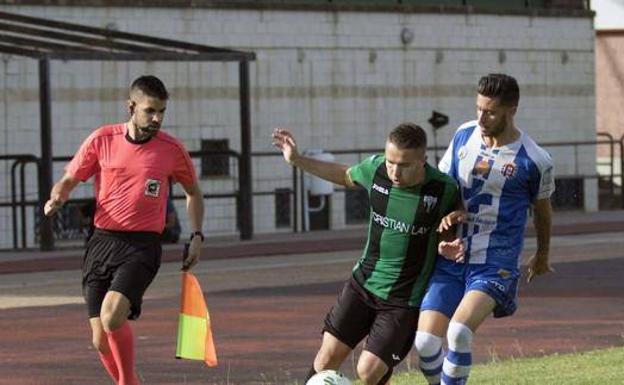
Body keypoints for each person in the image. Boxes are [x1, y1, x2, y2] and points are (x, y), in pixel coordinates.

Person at [43, 75, 205, 385]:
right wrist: (58, 197)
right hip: (101, 242)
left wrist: (197, 235)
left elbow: (193, 192)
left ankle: (126, 383)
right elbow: (68, 180)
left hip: (142, 246)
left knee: (112, 316)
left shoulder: (171, 149)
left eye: (162, 111)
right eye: (150, 111)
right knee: (99, 339)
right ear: (131, 106)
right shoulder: (102, 139)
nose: (156, 118)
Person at [272, 123, 460, 385]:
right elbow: (345, 175)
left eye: (404, 164)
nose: (394, 170)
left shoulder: (444, 189)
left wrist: (451, 235)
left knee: (368, 371)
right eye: (391, 161)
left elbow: (459, 218)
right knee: (325, 361)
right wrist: (297, 160)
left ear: (423, 161)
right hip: (362, 285)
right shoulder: (376, 169)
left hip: (402, 300)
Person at [414, 73, 554, 385]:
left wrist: (542, 255)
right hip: (451, 259)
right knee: (424, 344)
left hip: (495, 264)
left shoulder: (535, 160)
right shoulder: (464, 135)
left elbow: (543, 212)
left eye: (490, 111)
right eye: (478, 108)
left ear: (511, 110)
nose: (481, 117)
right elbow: (444, 187)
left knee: (459, 332)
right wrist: (447, 221)